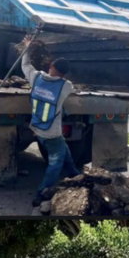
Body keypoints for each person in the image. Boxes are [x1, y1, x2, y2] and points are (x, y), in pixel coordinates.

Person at [22, 34, 80, 207]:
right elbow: (71, 86)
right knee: (56, 161)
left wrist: (27, 47)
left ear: (51, 66)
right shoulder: (65, 86)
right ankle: (41, 194)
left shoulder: (36, 78)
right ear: (64, 74)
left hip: (37, 128)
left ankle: (76, 176)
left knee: (64, 151)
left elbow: (25, 65)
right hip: (52, 133)